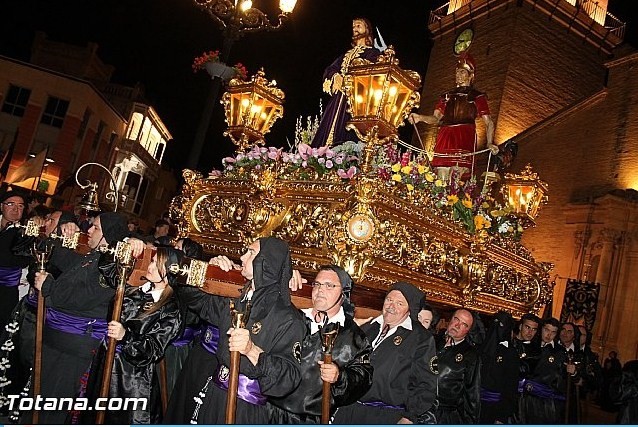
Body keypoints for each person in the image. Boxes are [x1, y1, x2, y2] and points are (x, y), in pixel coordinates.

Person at [175, 237, 305, 424]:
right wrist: (208, 270)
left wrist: (252, 351)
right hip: (214, 395)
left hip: (244, 408)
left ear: (265, 262)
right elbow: (195, 300)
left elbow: (289, 378)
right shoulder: (236, 301)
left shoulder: (288, 318)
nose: (242, 257)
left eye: (250, 252)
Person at [32, 211, 144, 423]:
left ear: (108, 235)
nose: (89, 230)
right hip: (57, 340)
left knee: (53, 405)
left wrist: (47, 285)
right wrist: (66, 225)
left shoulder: (111, 267)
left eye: (95, 228)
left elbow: (81, 298)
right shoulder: (92, 254)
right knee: (41, 395)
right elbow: (56, 254)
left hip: (74, 347)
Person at [83, 247, 182, 424]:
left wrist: (125, 336)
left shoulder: (170, 309)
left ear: (168, 271)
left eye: (156, 264)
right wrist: (124, 245)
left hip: (130, 377)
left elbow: (153, 349)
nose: (150, 267)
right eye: (151, 261)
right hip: (106, 360)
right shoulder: (134, 292)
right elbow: (107, 267)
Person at [268, 265, 373, 423]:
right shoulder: (292, 317)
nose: (320, 290)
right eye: (317, 284)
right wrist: (281, 282)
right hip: (268, 411)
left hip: (309, 419)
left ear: (343, 294)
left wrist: (339, 377)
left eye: (329, 286)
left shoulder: (354, 338)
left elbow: (362, 378)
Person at [333, 282, 438, 424]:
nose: (391, 306)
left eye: (399, 303)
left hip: (385, 417)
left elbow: (425, 384)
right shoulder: (368, 327)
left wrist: (410, 417)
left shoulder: (421, 338)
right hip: (348, 410)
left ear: (409, 310)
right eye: (389, 300)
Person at [410, 53, 498, 181]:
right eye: (457, 72)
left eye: (462, 72)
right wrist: (420, 117)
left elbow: (488, 122)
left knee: (455, 176)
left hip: (463, 135)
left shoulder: (477, 96)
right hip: (445, 135)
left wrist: (490, 142)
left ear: (471, 75)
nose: (458, 75)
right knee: (441, 177)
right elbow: (436, 118)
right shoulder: (446, 96)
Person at [311, 17, 382, 148]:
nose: (355, 28)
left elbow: (372, 72)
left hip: (356, 101)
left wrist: (352, 79)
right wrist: (335, 76)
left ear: (367, 29)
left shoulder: (373, 53)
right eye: (354, 26)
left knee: (348, 131)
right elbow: (331, 68)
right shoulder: (345, 55)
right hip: (338, 99)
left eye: (359, 25)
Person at [518, 317, 570, 424]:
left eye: (553, 332)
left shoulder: (560, 352)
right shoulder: (529, 346)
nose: (549, 335)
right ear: (541, 329)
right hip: (525, 398)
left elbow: (562, 379)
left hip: (546, 401)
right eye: (546, 330)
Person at [434, 308, 481, 423]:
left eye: (464, 324)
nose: (458, 325)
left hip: (443, 416)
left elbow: (472, 393)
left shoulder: (471, 355)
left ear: (468, 330)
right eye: (456, 319)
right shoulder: (432, 340)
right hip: (416, 407)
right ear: (450, 320)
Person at [479, 310, 519, 424]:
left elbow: (511, 386)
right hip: (475, 405)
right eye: (495, 323)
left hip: (495, 407)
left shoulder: (510, 353)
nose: (497, 327)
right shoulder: (482, 348)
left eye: (501, 325)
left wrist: (502, 416)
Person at [0, 191, 31, 333]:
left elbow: (21, 260)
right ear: (2, 206)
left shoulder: (25, 233)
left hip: (6, 292)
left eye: (20, 206)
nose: (15, 209)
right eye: (11, 204)